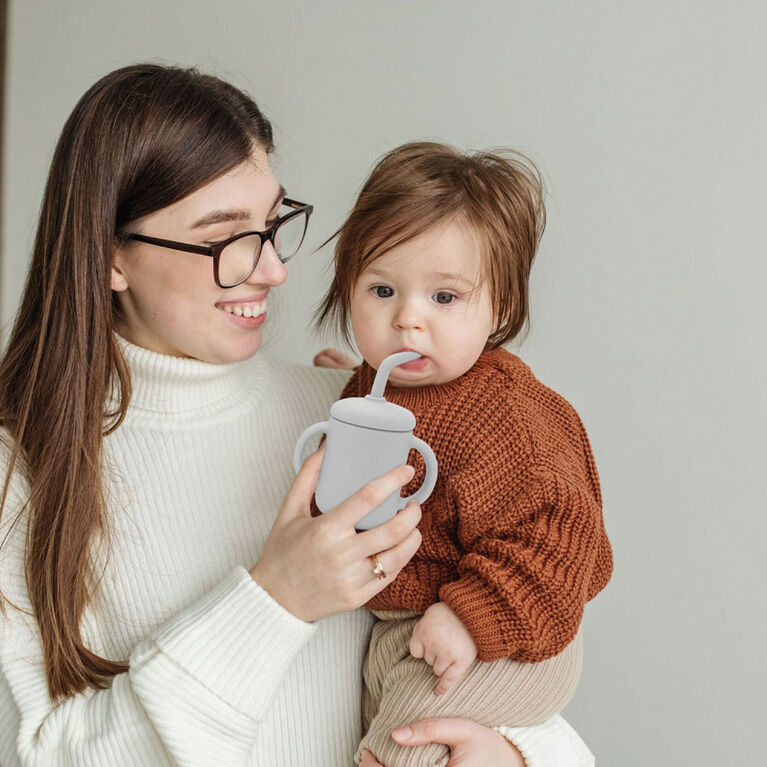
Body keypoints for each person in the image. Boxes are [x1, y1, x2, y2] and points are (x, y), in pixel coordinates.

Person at [0, 64, 596, 766]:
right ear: (111, 258)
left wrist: (517, 758)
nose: (273, 270)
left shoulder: (352, 415)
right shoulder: (20, 472)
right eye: (226, 238)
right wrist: (274, 598)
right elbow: (43, 753)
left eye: (272, 223)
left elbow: (502, 670)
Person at [313, 142, 613, 766]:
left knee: (399, 754)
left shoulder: (508, 420)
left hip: (508, 628)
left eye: (444, 298)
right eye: (382, 289)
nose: (407, 320)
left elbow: (559, 536)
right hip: (410, 630)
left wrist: (469, 615)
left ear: (499, 306)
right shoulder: (379, 386)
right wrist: (346, 382)